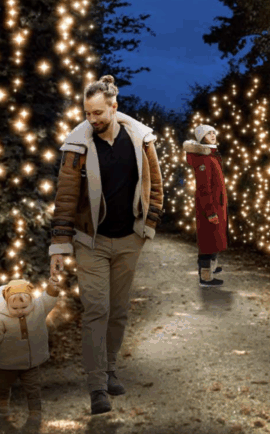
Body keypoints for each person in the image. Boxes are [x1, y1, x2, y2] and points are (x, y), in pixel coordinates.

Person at [47, 75, 164, 415]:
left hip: (129, 240)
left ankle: (111, 368)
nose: (92, 119)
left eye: (98, 112)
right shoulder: (77, 146)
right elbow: (65, 198)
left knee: (119, 311)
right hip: (91, 242)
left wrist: (148, 226)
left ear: (115, 107)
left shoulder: (140, 140)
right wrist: (59, 246)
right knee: (96, 310)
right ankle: (97, 387)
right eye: (88, 113)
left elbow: (155, 184)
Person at [0, 278, 62, 430]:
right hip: (8, 362)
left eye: (24, 307)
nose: (20, 311)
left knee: (33, 388)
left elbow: (48, 298)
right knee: (3, 386)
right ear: (7, 304)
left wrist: (52, 288)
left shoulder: (38, 307)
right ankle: (3, 410)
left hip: (30, 363)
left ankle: (35, 414)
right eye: (15, 308)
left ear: (31, 300)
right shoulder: (2, 316)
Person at [183, 124, 228, 287]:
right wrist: (210, 211)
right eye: (208, 133)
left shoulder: (212, 156)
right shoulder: (204, 159)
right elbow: (203, 188)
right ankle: (205, 277)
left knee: (215, 240)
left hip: (217, 205)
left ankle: (212, 268)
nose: (213, 135)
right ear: (202, 137)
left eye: (214, 132)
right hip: (209, 207)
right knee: (208, 243)